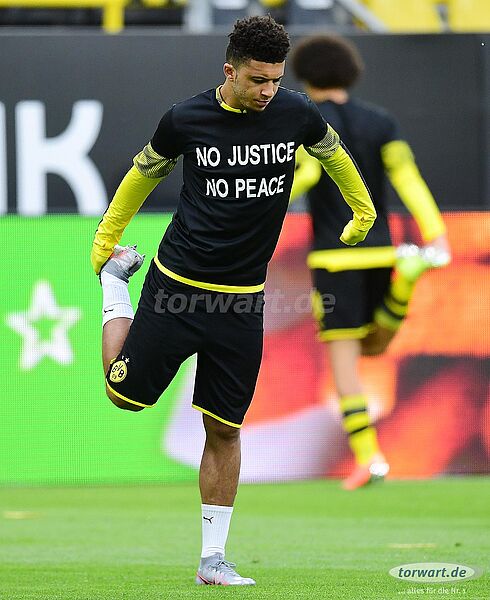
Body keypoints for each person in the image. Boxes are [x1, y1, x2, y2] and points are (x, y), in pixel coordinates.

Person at [91, 17, 376, 585]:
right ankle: (116, 284)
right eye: (257, 80)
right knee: (123, 397)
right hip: (177, 289)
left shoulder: (296, 113)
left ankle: (213, 559)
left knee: (224, 429)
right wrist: (106, 238)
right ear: (230, 71)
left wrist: (361, 209)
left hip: (243, 303)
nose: (268, 90)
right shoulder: (186, 118)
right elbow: (141, 175)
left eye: (275, 80)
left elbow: (336, 155)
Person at [290, 35, 451, 491]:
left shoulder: (306, 122)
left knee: (345, 365)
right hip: (382, 250)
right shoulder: (380, 121)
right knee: (375, 348)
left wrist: (257, 203)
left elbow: (308, 173)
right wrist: (435, 231)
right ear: (350, 73)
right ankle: (406, 281)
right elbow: (407, 177)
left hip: (335, 256)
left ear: (304, 74)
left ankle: (369, 458)